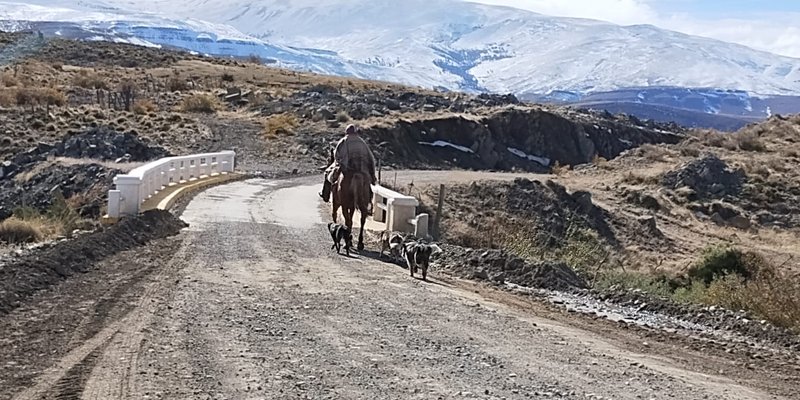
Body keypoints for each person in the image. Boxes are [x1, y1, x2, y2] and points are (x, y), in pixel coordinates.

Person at [320, 124, 377, 211]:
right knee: (368, 185)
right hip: (362, 170)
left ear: (346, 132)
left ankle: (325, 195)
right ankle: (368, 204)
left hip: (347, 168)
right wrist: (372, 175)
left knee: (328, 174)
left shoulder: (343, 141)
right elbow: (371, 159)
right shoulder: (362, 142)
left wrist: (339, 162)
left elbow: (337, 155)